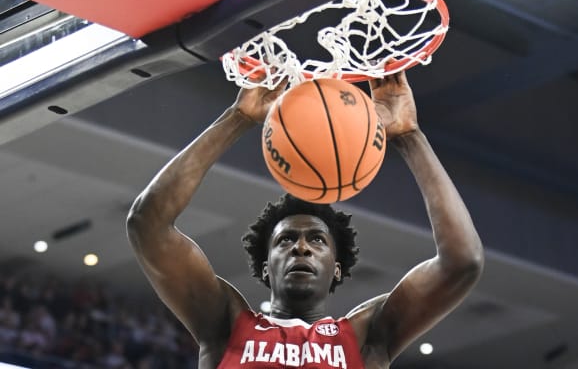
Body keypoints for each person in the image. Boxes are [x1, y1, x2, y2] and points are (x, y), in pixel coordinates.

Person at [126, 71, 484, 368]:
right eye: (285, 240)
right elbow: (148, 223)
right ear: (266, 267)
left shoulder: (367, 337)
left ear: (338, 268)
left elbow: (462, 261)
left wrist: (408, 136)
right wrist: (238, 117)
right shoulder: (225, 324)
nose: (301, 246)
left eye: (317, 239)